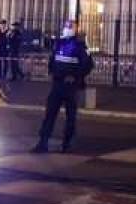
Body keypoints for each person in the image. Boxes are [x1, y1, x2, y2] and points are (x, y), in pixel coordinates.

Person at [34, 20, 94, 154]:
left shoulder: (81, 46)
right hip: (57, 84)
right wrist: (51, 71)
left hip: (71, 86)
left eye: (70, 27)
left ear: (75, 30)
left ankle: (67, 143)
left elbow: (88, 65)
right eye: (66, 27)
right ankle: (43, 141)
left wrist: (76, 77)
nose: (67, 29)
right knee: (50, 114)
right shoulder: (59, 43)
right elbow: (52, 60)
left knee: (70, 116)